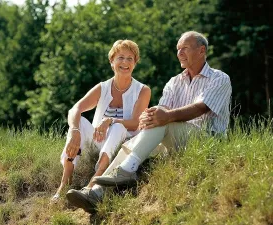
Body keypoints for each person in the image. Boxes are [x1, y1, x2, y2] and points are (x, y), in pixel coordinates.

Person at [66, 31, 232, 213]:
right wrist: (149, 117)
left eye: (185, 48)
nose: (179, 53)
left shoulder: (219, 78)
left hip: (206, 140)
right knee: (130, 143)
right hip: (175, 139)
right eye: (178, 50)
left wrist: (165, 116)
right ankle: (96, 193)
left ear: (201, 51)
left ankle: (127, 171)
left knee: (164, 122)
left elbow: (200, 108)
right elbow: (161, 112)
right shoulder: (174, 82)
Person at [51, 40, 151, 201]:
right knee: (79, 122)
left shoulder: (143, 90)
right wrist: (75, 131)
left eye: (130, 58)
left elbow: (135, 123)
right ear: (112, 61)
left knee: (118, 127)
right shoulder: (103, 87)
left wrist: (110, 120)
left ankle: (93, 183)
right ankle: (64, 184)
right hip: (99, 141)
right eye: (120, 57)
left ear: (135, 63)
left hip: (124, 146)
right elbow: (75, 109)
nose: (125, 62)